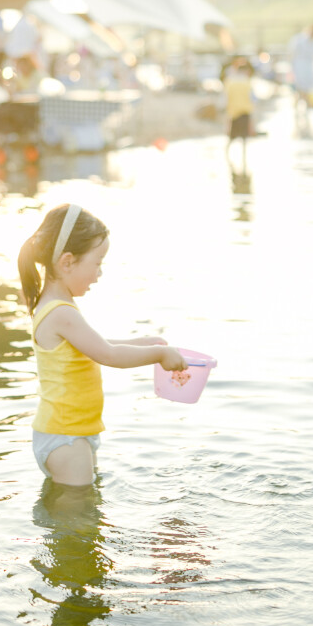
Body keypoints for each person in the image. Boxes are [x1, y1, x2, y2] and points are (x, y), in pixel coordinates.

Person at [18, 203, 186, 486]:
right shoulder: (61, 313)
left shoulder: (57, 307)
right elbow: (108, 354)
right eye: (97, 263)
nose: (100, 273)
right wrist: (158, 353)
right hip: (66, 437)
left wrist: (145, 343)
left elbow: (97, 346)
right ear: (67, 262)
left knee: (81, 516)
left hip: (68, 432)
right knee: (77, 523)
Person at [223, 55, 254, 170]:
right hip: (245, 111)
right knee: (244, 138)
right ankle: (244, 159)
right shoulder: (247, 82)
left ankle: (226, 156)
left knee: (232, 137)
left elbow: (226, 98)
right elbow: (252, 98)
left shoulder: (230, 82)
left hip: (233, 112)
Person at [288, 24, 313, 110]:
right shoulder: (299, 39)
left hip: (309, 65)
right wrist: (291, 67)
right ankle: (298, 105)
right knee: (299, 86)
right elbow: (292, 52)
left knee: (308, 87)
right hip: (299, 64)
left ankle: (307, 105)